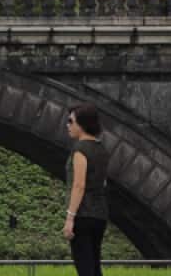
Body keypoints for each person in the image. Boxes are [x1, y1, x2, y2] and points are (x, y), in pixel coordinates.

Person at [63, 102, 109, 276]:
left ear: (82, 125)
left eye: (71, 121)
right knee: (94, 265)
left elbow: (79, 184)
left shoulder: (80, 149)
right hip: (100, 214)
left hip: (83, 214)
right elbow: (102, 183)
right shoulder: (101, 149)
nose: (68, 125)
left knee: (84, 267)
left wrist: (70, 218)